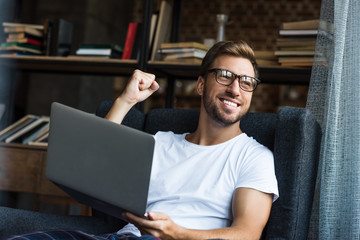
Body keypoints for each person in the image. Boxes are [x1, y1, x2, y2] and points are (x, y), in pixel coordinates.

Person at [2, 41, 278, 240]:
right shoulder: (159, 143)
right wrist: (126, 101)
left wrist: (175, 233)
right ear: (201, 84)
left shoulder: (254, 157)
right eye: (225, 76)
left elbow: (247, 233)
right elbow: (92, 168)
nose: (235, 89)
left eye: (246, 82)